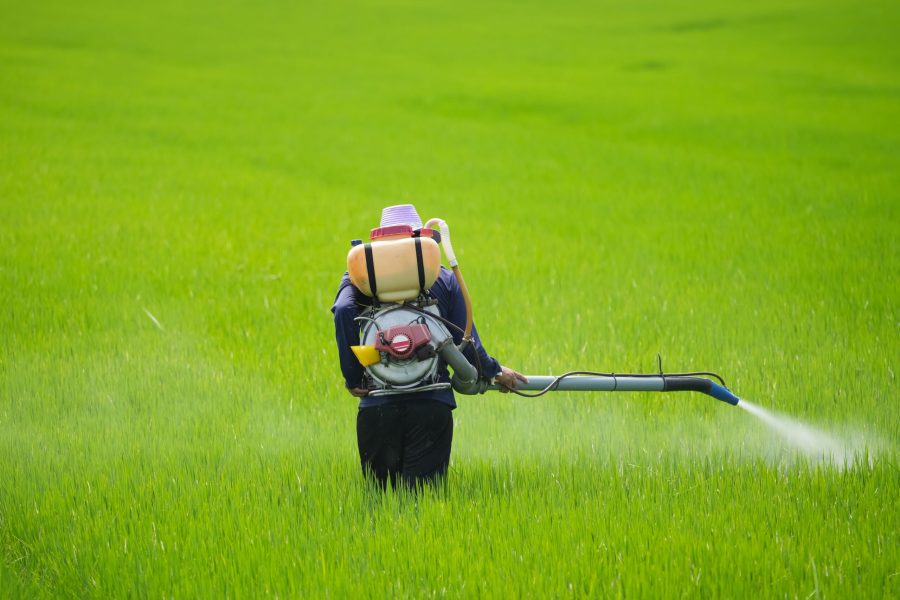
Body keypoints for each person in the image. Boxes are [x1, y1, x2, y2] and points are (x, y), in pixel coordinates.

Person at [332, 204, 526, 488]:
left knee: (380, 505)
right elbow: (467, 342)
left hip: (377, 405)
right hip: (430, 404)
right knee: (422, 506)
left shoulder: (363, 277)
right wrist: (494, 371)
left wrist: (353, 376)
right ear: (423, 241)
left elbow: (343, 311)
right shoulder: (442, 277)